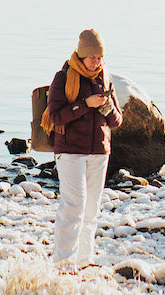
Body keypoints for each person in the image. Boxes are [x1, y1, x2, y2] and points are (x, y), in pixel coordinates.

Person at [42, 28, 122, 269]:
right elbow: (55, 117)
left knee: (91, 209)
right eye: (91, 58)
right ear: (81, 54)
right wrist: (85, 105)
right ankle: (64, 263)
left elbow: (117, 121)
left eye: (99, 58)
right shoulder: (64, 77)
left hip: (99, 151)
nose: (95, 62)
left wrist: (107, 109)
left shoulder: (105, 77)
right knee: (74, 204)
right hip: (70, 151)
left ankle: (85, 261)